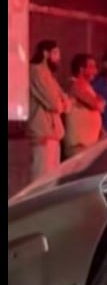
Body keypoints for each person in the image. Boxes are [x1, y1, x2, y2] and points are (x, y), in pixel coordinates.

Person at [27, 39, 69, 180]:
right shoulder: (36, 72)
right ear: (45, 53)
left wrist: (62, 103)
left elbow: (66, 101)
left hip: (53, 135)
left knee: (50, 181)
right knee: (40, 182)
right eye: (56, 53)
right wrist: (61, 104)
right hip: (43, 135)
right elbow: (55, 103)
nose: (59, 57)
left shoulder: (48, 75)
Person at [64, 53, 106, 158]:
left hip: (88, 147)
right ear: (81, 69)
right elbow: (97, 104)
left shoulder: (87, 87)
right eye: (91, 67)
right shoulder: (75, 85)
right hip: (78, 147)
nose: (95, 71)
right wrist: (98, 101)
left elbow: (101, 104)